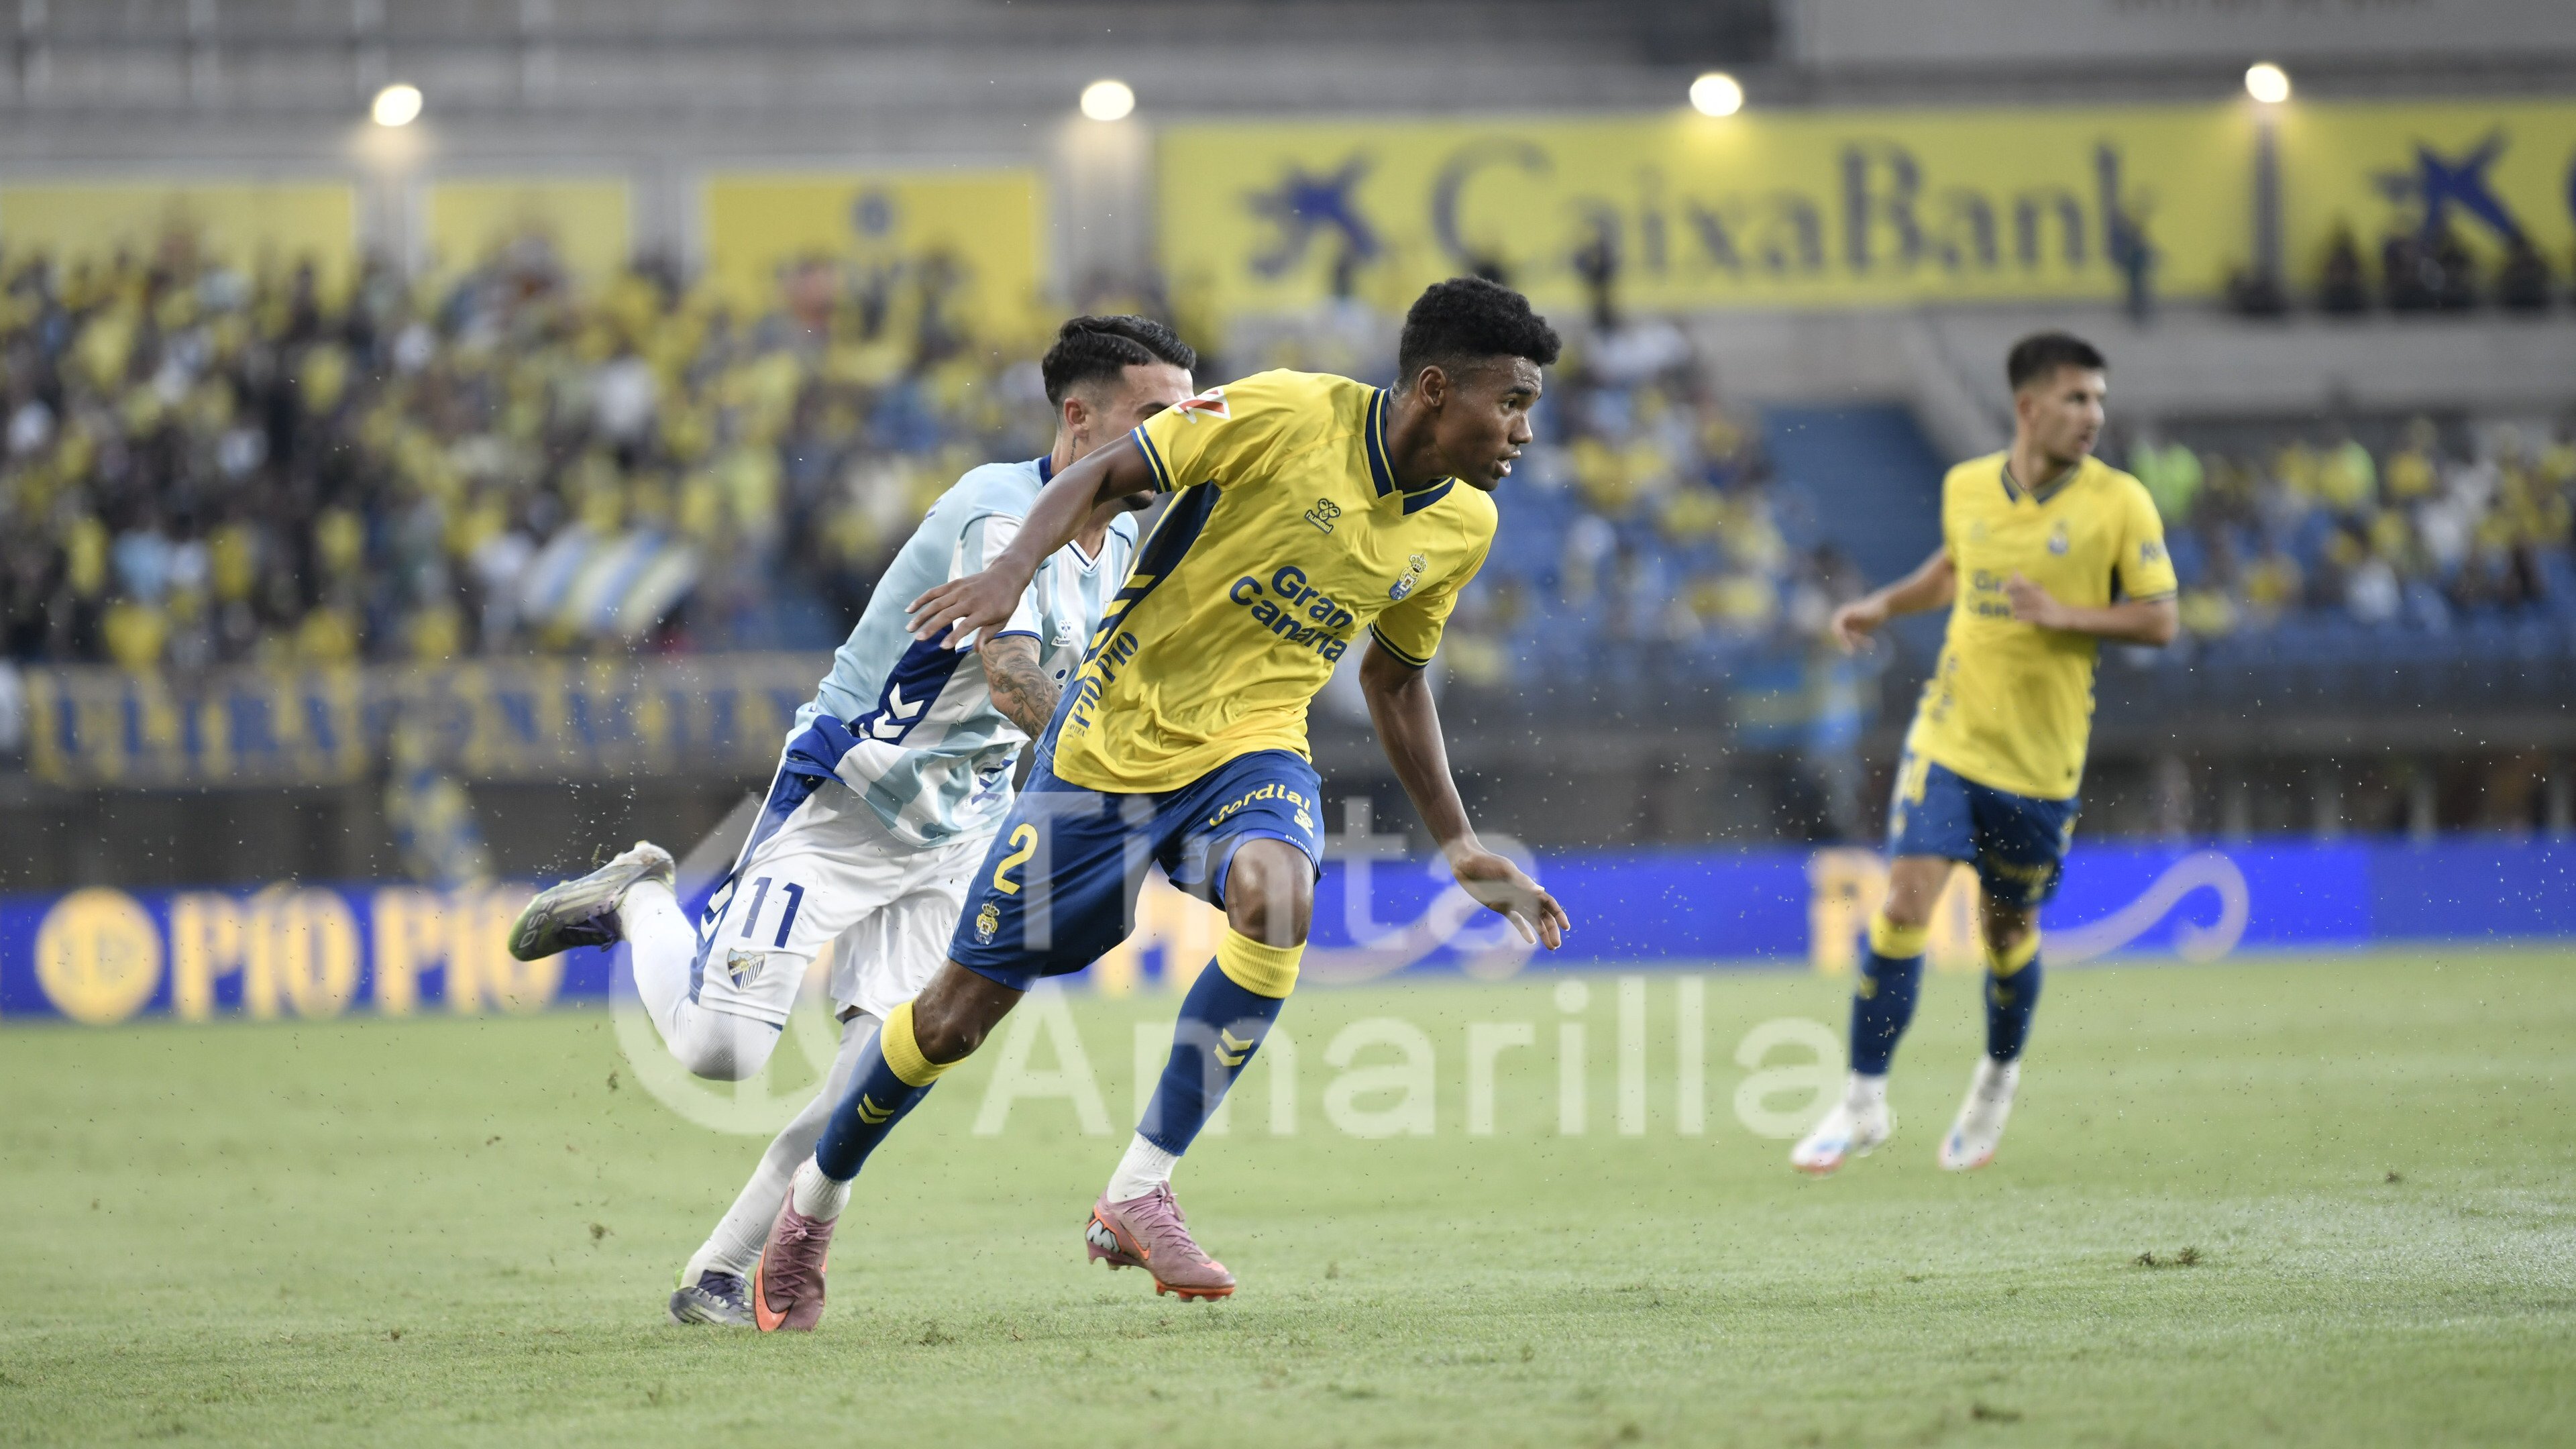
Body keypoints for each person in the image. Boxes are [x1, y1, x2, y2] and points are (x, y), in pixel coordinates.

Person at [743, 276, 1572, 1330]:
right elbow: (1104, 471)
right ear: (1437, 388)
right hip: (1107, 746)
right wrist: (1010, 571)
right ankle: (811, 1211)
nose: (1525, 432)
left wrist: (1456, 842)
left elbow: (1395, 680)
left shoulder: (1464, 526)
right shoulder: (1284, 412)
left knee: (1280, 896)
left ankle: (1138, 1191)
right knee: (953, 1020)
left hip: (1254, 751)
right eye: (1511, 403)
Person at [504, 315, 1196, 1325]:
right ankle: (639, 900)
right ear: (1080, 418)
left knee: (868, 1087)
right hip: (846, 804)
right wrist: (1126, 782)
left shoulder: (1122, 537)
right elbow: (1011, 679)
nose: (1179, 436)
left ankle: (717, 1274)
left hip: (952, 838)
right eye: (1159, 415)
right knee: (721, 1055)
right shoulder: (997, 515)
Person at [1792, 332, 2178, 1177]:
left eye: (2099, 400)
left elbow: (2160, 617)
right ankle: (1861, 1102)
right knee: (1903, 904)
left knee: (2008, 933)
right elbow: (1952, 571)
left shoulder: (2120, 504)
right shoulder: (1967, 486)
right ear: (2029, 406)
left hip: (2041, 765)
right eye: (2078, 399)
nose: (2093, 416)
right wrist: (1882, 607)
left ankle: (1996, 1083)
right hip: (1950, 736)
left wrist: (2067, 615)